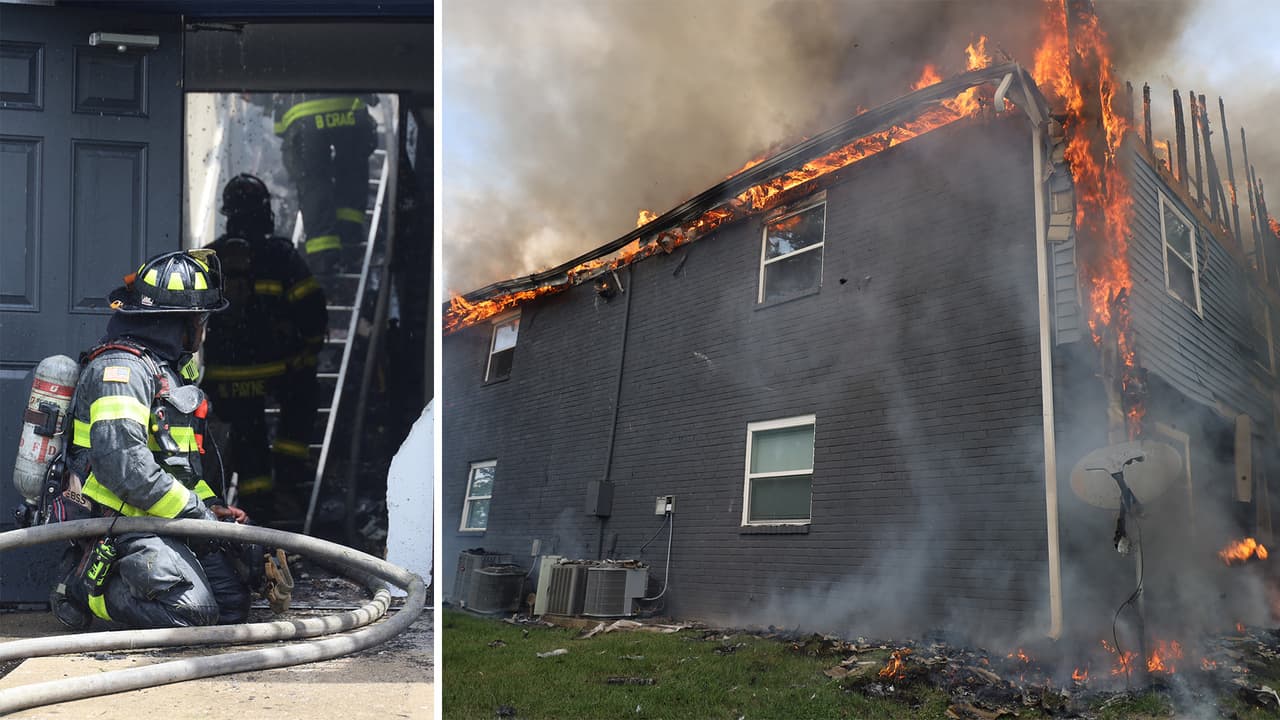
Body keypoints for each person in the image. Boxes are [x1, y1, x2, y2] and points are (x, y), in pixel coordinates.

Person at [50, 250, 256, 630]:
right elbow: (124, 468)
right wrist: (196, 514)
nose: (203, 328)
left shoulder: (168, 371)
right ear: (179, 321)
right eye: (201, 319)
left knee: (231, 606)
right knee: (191, 614)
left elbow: (179, 464)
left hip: (161, 518)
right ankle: (84, 588)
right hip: (118, 525)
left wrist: (212, 507)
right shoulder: (121, 372)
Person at [203, 174, 327, 527]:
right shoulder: (280, 255)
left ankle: (256, 513)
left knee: (247, 437)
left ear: (228, 214)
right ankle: (288, 484)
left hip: (226, 374)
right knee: (302, 399)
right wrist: (308, 350)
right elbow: (312, 305)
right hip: (276, 369)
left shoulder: (211, 256)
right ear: (264, 211)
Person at [273, 93, 378, 275]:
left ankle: (323, 257)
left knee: (314, 184)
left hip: (302, 115)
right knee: (352, 173)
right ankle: (349, 238)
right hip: (350, 109)